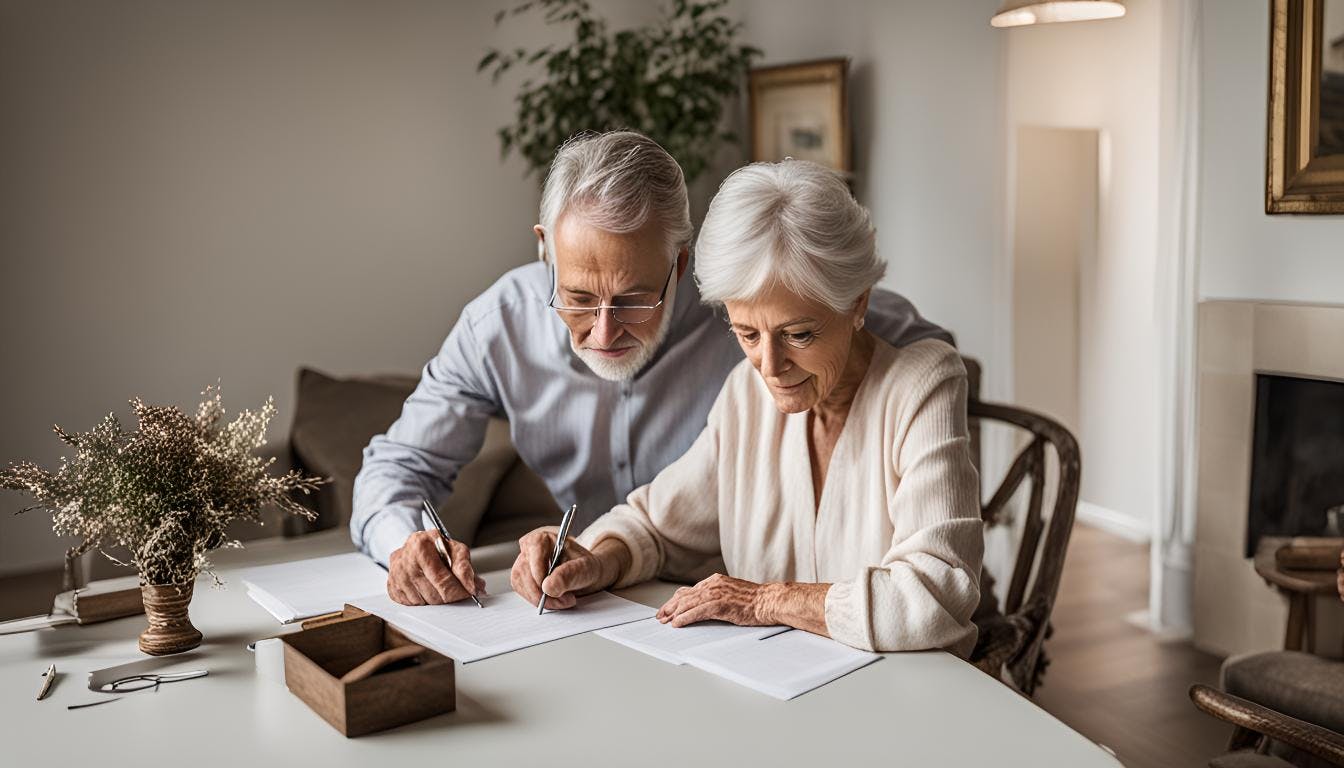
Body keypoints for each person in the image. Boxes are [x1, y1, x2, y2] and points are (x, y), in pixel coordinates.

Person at [352, 130, 952, 607]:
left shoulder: (746, 298)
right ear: (545, 249)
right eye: (579, 297)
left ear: (679, 261)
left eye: (637, 297)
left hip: (732, 607)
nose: (606, 331)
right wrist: (408, 544)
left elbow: (907, 350)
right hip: (606, 598)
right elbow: (397, 467)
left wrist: (926, 443)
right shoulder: (499, 326)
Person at [510, 159, 984, 655]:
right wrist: (594, 560)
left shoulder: (922, 383)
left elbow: (937, 593)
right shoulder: (746, 394)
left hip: (908, 700)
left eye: (799, 334)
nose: (770, 366)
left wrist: (765, 602)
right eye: (747, 333)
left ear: (858, 303)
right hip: (778, 699)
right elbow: (656, 526)